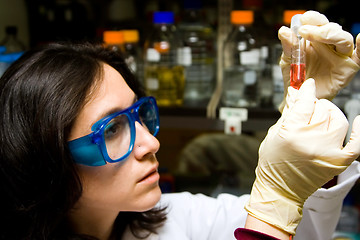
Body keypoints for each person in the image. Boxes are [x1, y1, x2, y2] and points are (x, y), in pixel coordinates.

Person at [0, 10, 359, 240]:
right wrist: (273, 205)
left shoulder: (173, 219)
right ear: (44, 161)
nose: (150, 144)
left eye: (138, 114)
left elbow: (302, 231)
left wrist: (310, 110)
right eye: (111, 130)